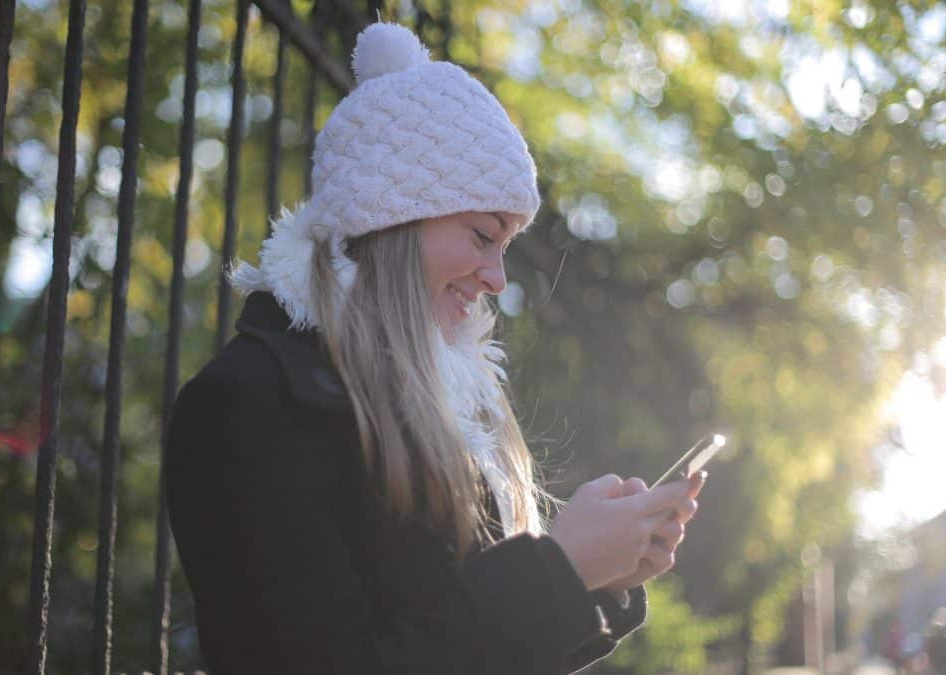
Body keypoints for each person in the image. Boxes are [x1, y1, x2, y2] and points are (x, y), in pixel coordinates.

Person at [165, 21, 704, 674]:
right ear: (390, 218)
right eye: (482, 235)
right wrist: (558, 570)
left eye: (504, 247)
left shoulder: (449, 404)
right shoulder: (245, 404)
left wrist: (596, 573)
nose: (497, 277)